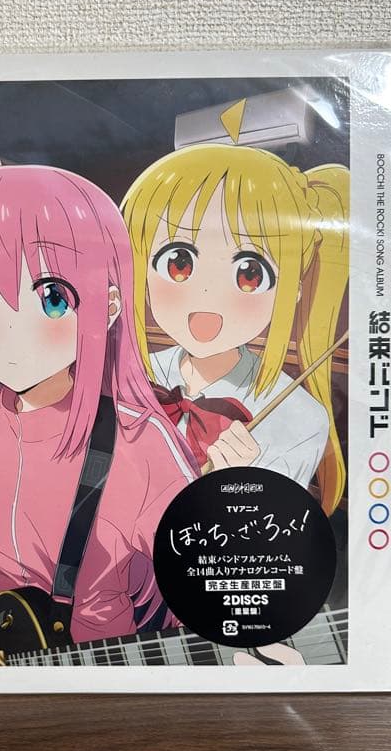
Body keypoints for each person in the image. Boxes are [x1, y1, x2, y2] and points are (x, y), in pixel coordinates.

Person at [0, 164, 198, 666]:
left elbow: (199, 565)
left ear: (109, 306)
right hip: (2, 644)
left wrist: (249, 638)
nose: (11, 332)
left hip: (107, 664)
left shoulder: (139, 440)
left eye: (52, 298)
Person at [121, 144, 349, 516]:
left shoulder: (299, 416)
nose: (207, 295)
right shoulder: (130, 377)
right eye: (178, 263)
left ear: (292, 291)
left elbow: (271, 535)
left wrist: (239, 491)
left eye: (249, 273)